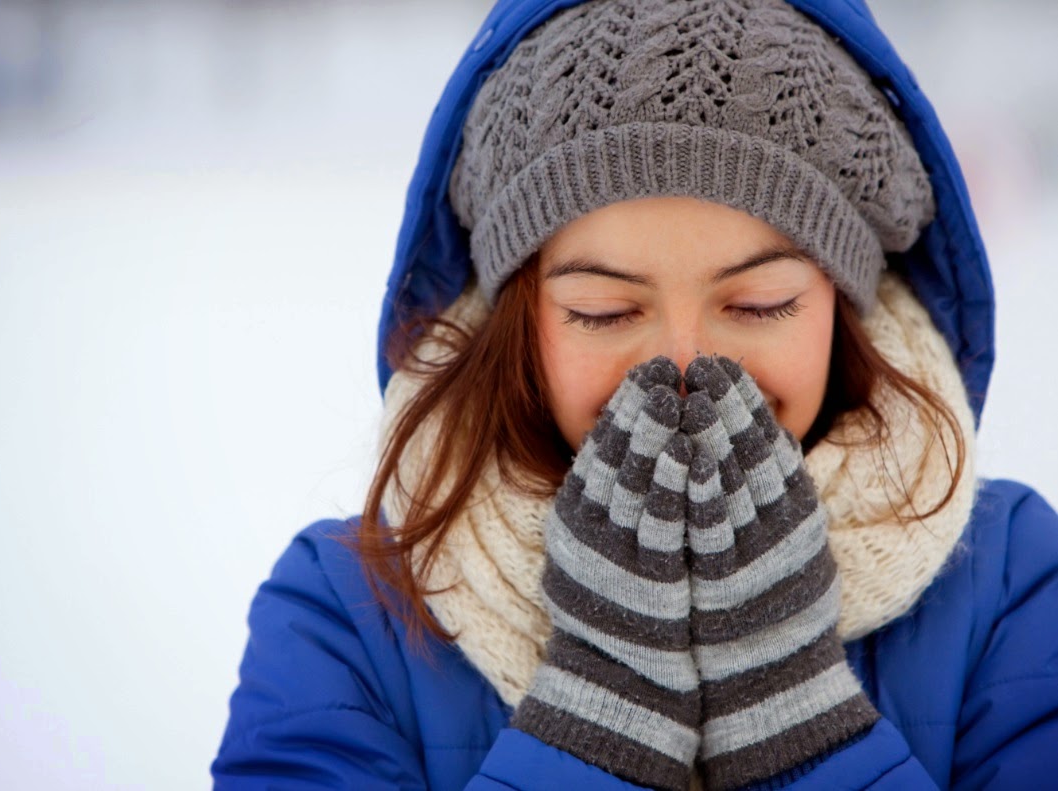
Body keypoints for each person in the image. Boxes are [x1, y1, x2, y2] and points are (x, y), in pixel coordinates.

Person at [212, 0, 1058, 788]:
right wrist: (594, 722)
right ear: (521, 318)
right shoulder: (344, 616)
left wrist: (798, 722)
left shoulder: (1011, 583)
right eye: (603, 310)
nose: (684, 366)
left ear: (842, 304)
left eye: (759, 303)